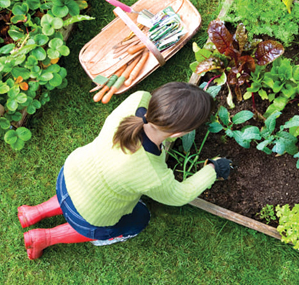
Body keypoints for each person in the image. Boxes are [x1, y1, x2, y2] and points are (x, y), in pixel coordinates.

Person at [17, 82, 231, 259]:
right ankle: (45, 238)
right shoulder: (152, 173)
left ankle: (34, 212)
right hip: (90, 214)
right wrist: (214, 168)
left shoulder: (137, 100)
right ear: (180, 133)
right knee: (140, 219)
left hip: (70, 174)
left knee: (81, 192)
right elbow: (180, 195)